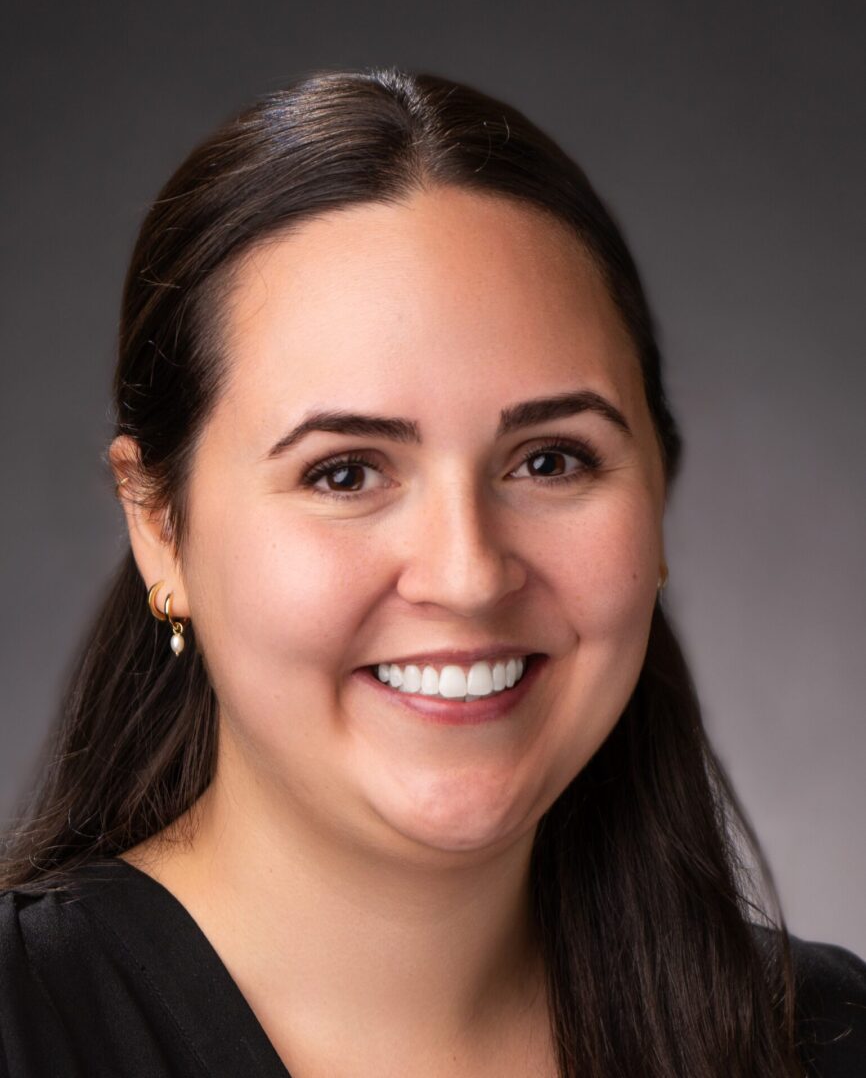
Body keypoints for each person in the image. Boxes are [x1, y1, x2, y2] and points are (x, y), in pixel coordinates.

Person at [0, 66, 863, 1078]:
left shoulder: (821, 1043)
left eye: (549, 460)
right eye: (346, 472)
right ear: (159, 527)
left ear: (656, 495)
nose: (466, 575)